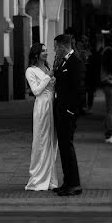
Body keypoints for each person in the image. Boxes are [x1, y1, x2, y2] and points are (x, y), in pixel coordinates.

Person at [24, 42, 59, 191]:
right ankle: (38, 178)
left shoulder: (48, 67)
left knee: (52, 142)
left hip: (52, 105)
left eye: (46, 50)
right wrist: (49, 76)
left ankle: (50, 177)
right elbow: (36, 91)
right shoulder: (30, 71)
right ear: (36, 54)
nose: (46, 53)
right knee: (42, 141)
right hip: (42, 107)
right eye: (43, 51)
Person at [52, 33, 84, 196]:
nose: (54, 50)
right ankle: (68, 182)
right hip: (61, 109)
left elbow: (78, 89)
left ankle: (74, 184)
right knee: (63, 148)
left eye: (56, 47)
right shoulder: (63, 61)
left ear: (63, 47)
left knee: (67, 146)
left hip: (68, 112)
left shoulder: (74, 62)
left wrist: (72, 110)